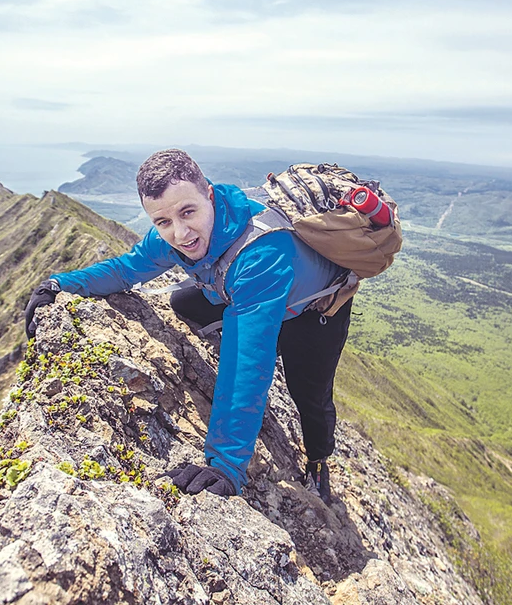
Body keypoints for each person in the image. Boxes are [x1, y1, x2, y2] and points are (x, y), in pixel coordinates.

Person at [24, 149, 352, 504]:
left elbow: (246, 365)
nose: (180, 233)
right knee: (183, 303)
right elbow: (125, 270)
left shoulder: (262, 255)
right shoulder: (177, 230)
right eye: (163, 222)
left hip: (312, 311)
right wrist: (60, 284)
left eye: (188, 212)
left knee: (310, 395)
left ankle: (319, 460)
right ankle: (257, 330)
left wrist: (226, 465)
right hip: (246, 292)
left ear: (209, 196)